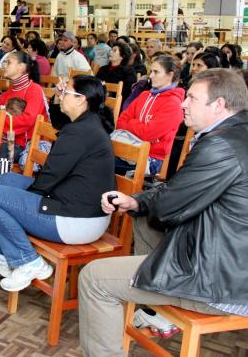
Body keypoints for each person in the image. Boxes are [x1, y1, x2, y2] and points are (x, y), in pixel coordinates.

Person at [78, 68, 248, 357]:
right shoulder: (234, 132)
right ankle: (156, 308)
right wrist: (137, 202)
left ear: (218, 105)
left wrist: (150, 203)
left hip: (222, 280)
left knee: (94, 278)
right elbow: (177, 191)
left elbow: (169, 207)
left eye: (192, 98)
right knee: (142, 216)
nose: (183, 103)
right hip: (229, 257)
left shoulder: (220, 145)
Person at [0, 75, 116, 292]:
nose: (60, 96)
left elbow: (49, 177)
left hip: (76, 220)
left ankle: (28, 261)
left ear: (81, 99)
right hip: (76, 206)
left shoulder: (81, 132)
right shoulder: (87, 122)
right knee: (6, 180)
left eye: (65, 93)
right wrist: (59, 96)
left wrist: (28, 201)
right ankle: (0, 250)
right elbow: (59, 123)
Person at [116, 54, 184, 176]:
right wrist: (140, 126)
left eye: (156, 72)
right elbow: (121, 121)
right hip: (127, 148)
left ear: (170, 75)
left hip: (151, 159)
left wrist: (131, 123)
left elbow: (147, 133)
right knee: (93, 154)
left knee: (100, 162)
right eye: (151, 71)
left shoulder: (173, 104)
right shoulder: (144, 95)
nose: (151, 76)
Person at [0, 51, 47, 160]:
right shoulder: (6, 94)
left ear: (21, 67)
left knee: (0, 152)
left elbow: (28, 119)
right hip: (6, 139)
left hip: (25, 145)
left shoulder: (34, 90)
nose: (4, 66)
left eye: (8, 63)